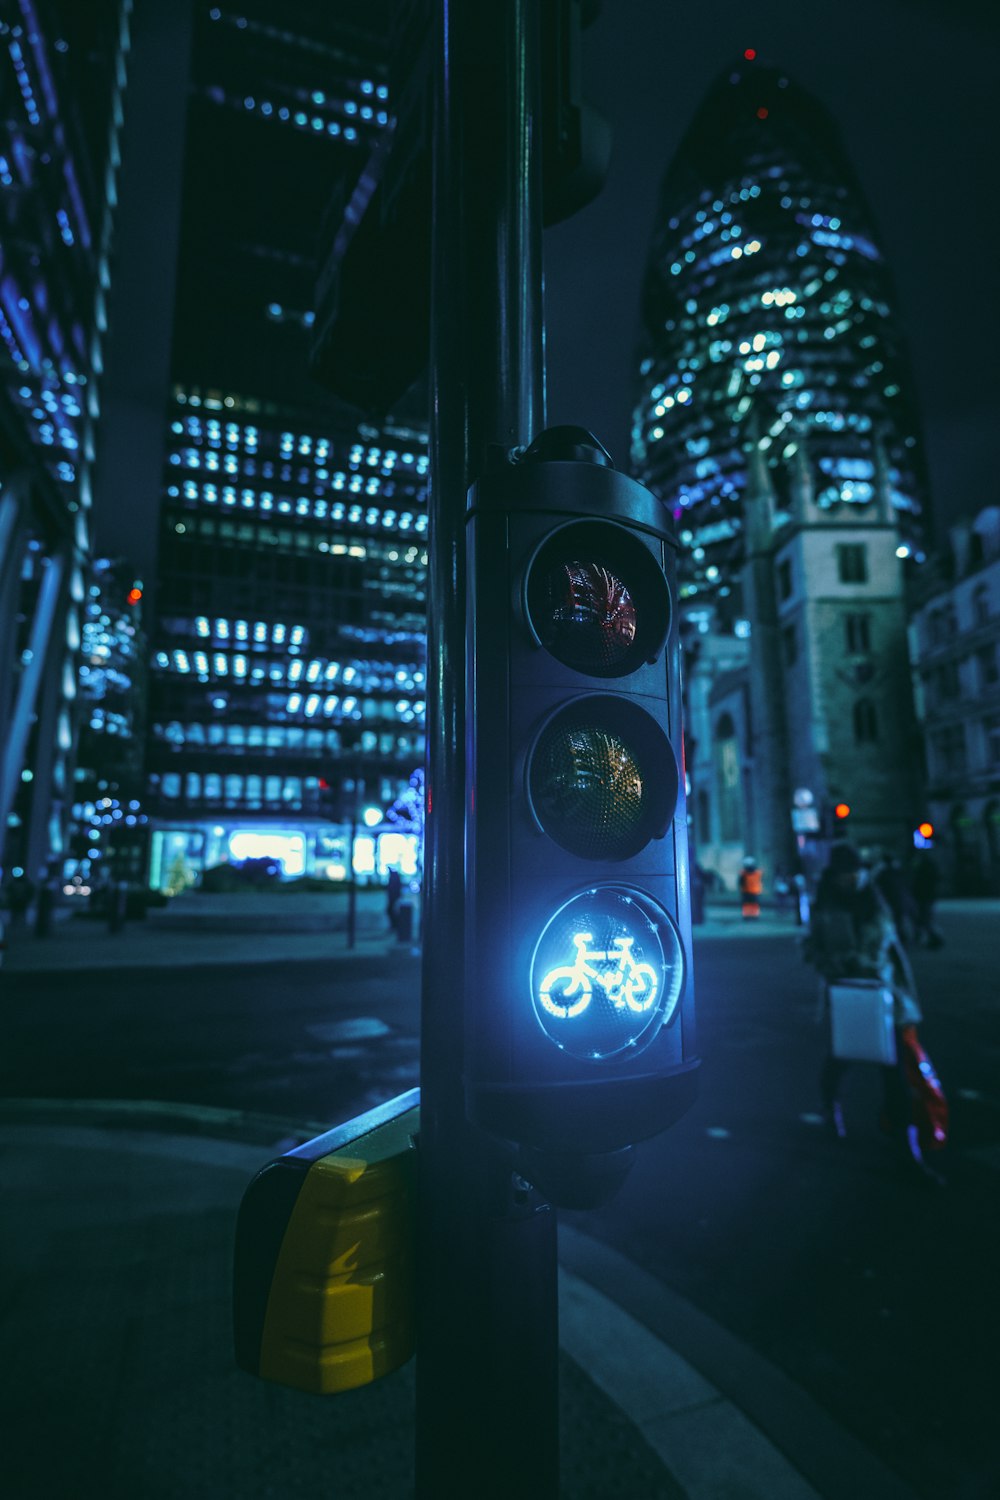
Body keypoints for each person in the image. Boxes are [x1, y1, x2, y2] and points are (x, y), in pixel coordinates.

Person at [804, 841, 947, 1183]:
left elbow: (892, 948)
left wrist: (881, 975)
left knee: (892, 1069)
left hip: (883, 996)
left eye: (855, 873)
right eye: (844, 875)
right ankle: (830, 1105)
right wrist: (836, 964)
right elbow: (812, 948)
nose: (851, 880)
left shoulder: (875, 899)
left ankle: (907, 1150)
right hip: (846, 993)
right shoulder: (824, 904)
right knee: (840, 1057)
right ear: (834, 876)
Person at [909, 850, 944, 948]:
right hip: (927, 895)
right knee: (925, 917)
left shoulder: (921, 867)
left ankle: (934, 938)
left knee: (924, 918)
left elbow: (916, 881)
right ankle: (928, 937)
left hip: (923, 895)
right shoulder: (929, 866)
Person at [386, 867, 403, 936]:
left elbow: (393, 889)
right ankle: (395, 926)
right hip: (393, 898)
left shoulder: (393, 877)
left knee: (391, 911)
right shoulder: (395, 877)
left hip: (393, 898)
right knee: (391, 911)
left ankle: (395, 926)